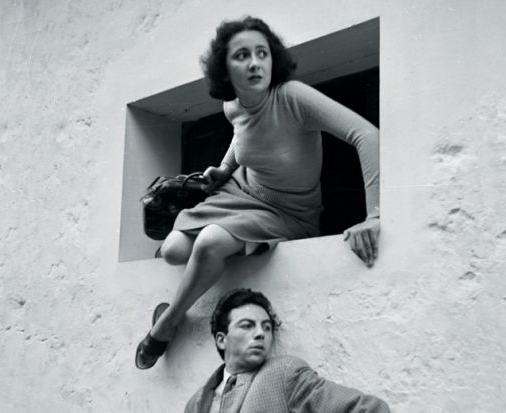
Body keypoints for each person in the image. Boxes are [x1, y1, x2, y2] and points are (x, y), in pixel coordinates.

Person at [135, 16, 380, 369]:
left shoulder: (292, 97)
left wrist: (373, 215)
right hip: (241, 194)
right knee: (173, 251)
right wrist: (224, 168)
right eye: (241, 56)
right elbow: (243, 136)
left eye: (261, 53)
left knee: (207, 243)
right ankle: (219, 256)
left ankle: (166, 324)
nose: (253, 63)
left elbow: (366, 136)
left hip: (289, 212)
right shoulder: (232, 106)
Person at [184, 288, 390, 413]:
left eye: (266, 327)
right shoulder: (196, 402)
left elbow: (368, 409)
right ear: (222, 340)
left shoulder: (285, 373)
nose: (260, 334)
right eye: (247, 325)